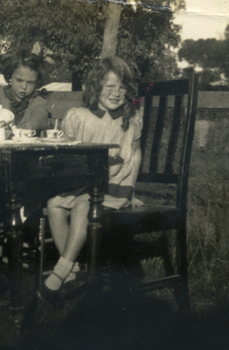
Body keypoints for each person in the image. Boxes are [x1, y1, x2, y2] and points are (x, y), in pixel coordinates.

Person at [39, 57, 143, 300]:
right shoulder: (78, 115)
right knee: (54, 204)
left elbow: (135, 155)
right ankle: (73, 269)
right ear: (95, 87)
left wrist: (131, 190)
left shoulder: (132, 118)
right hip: (84, 183)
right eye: (109, 86)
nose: (116, 93)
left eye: (121, 87)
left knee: (82, 206)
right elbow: (66, 156)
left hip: (113, 185)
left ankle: (61, 270)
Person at [0, 45, 51, 132]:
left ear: (37, 82)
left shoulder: (37, 101)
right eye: (19, 80)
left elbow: (41, 117)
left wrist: (30, 125)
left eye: (30, 82)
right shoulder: (0, 93)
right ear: (10, 76)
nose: (24, 87)